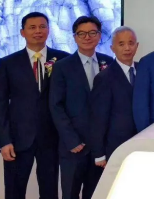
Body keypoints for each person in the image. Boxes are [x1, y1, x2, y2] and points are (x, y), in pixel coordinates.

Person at [0, 12, 69, 199]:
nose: (38, 31)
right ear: (22, 32)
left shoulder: (64, 60)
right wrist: (4, 140)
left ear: (49, 30)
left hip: (52, 138)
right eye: (32, 27)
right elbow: (0, 104)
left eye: (42, 27)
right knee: (14, 191)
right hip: (17, 140)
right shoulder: (8, 63)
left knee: (50, 191)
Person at [49, 16, 114, 199]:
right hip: (74, 146)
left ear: (99, 35)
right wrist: (72, 140)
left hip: (100, 146)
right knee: (70, 193)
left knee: (96, 194)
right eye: (81, 33)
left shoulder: (108, 62)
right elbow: (56, 105)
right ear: (74, 37)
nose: (87, 37)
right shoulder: (62, 67)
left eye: (92, 32)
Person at [90, 27, 139, 169]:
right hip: (116, 145)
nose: (127, 48)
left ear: (137, 46)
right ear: (112, 48)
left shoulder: (143, 70)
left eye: (131, 43)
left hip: (141, 142)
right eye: (121, 44)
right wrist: (99, 153)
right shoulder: (104, 78)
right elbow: (98, 119)